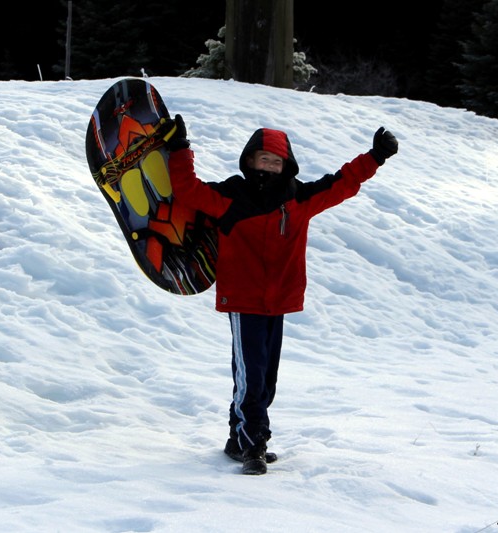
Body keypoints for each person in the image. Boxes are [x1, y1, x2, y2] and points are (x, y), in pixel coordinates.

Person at [163, 114, 398, 475]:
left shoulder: (299, 198)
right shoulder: (231, 197)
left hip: (279, 301)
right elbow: (187, 190)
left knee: (265, 378)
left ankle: (237, 440)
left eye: (276, 161)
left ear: (286, 165)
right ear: (249, 161)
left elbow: (342, 183)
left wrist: (374, 157)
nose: (269, 166)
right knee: (250, 376)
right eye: (263, 160)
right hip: (243, 301)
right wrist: (180, 148)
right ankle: (254, 444)